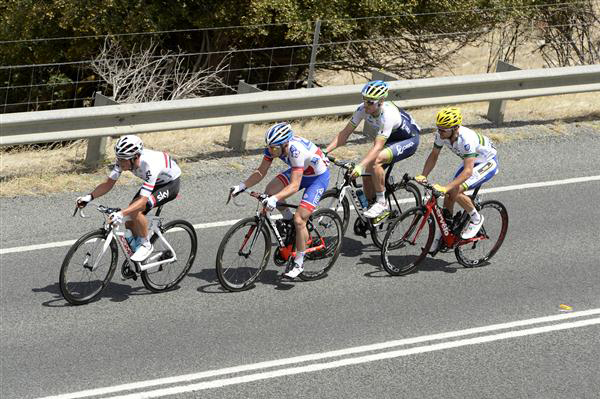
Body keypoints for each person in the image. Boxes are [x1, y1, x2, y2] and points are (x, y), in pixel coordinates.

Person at [230, 122, 330, 279]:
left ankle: (299, 263)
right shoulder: (274, 147)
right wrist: (242, 186)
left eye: (274, 148)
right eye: (269, 147)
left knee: (299, 220)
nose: (270, 151)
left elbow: (295, 185)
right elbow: (261, 171)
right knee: (269, 191)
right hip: (301, 170)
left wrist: (275, 199)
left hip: (317, 178)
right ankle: (288, 220)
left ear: (285, 144)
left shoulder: (296, 151)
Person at [324, 80, 420, 223]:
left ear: (381, 101)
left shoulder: (388, 115)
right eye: (364, 100)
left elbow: (378, 147)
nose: (366, 104)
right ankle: (372, 212)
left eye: (370, 102)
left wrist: (360, 165)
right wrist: (325, 151)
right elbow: (345, 134)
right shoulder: (362, 109)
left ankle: (382, 203)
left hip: (407, 140)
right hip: (388, 139)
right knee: (366, 174)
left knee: (375, 162)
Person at [75, 135, 181, 263]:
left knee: (136, 210)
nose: (120, 163)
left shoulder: (149, 165)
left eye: (123, 160)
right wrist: (89, 197)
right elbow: (108, 184)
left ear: (136, 157)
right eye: (118, 158)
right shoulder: (123, 161)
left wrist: (121, 213)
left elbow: (142, 201)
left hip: (170, 184)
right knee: (130, 221)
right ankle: (139, 255)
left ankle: (146, 245)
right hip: (155, 183)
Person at [416, 106, 499, 251]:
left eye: (443, 129)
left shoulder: (466, 140)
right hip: (472, 162)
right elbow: (434, 155)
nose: (439, 132)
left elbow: (467, 172)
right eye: (438, 128)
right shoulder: (442, 134)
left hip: (487, 162)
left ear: (454, 128)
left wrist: (445, 187)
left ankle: (476, 218)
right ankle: (447, 233)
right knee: (449, 195)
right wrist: (424, 175)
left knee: (455, 190)